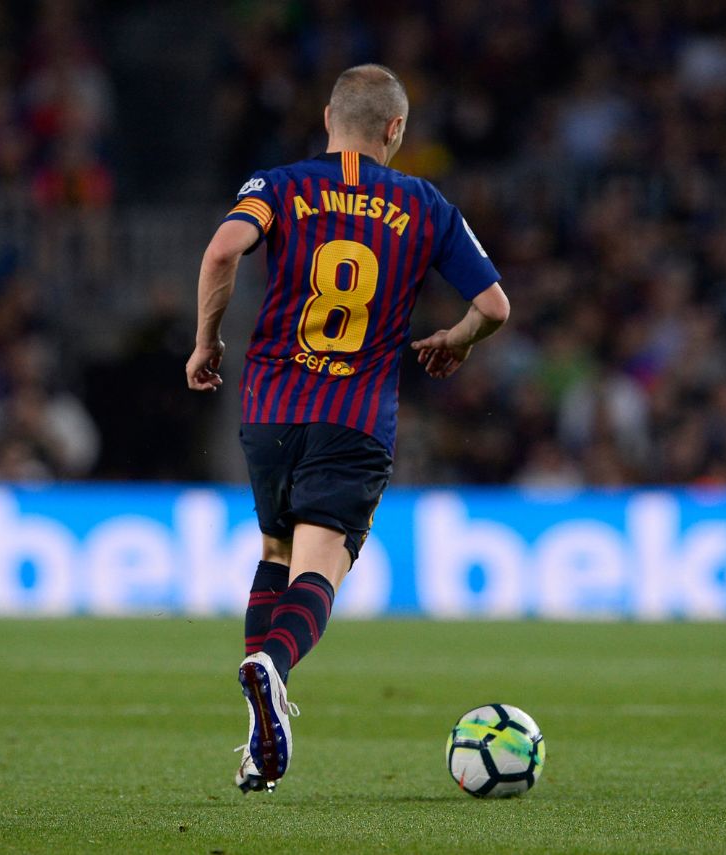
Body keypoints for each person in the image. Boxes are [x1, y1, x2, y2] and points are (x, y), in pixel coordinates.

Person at [185, 64, 510, 793]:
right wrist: (454, 339)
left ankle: (256, 744)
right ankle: (273, 667)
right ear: (395, 129)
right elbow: (494, 306)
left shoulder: (279, 184)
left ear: (329, 116)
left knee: (275, 548)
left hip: (269, 404)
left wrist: (207, 341)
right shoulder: (426, 204)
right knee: (320, 568)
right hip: (354, 413)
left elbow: (221, 251)